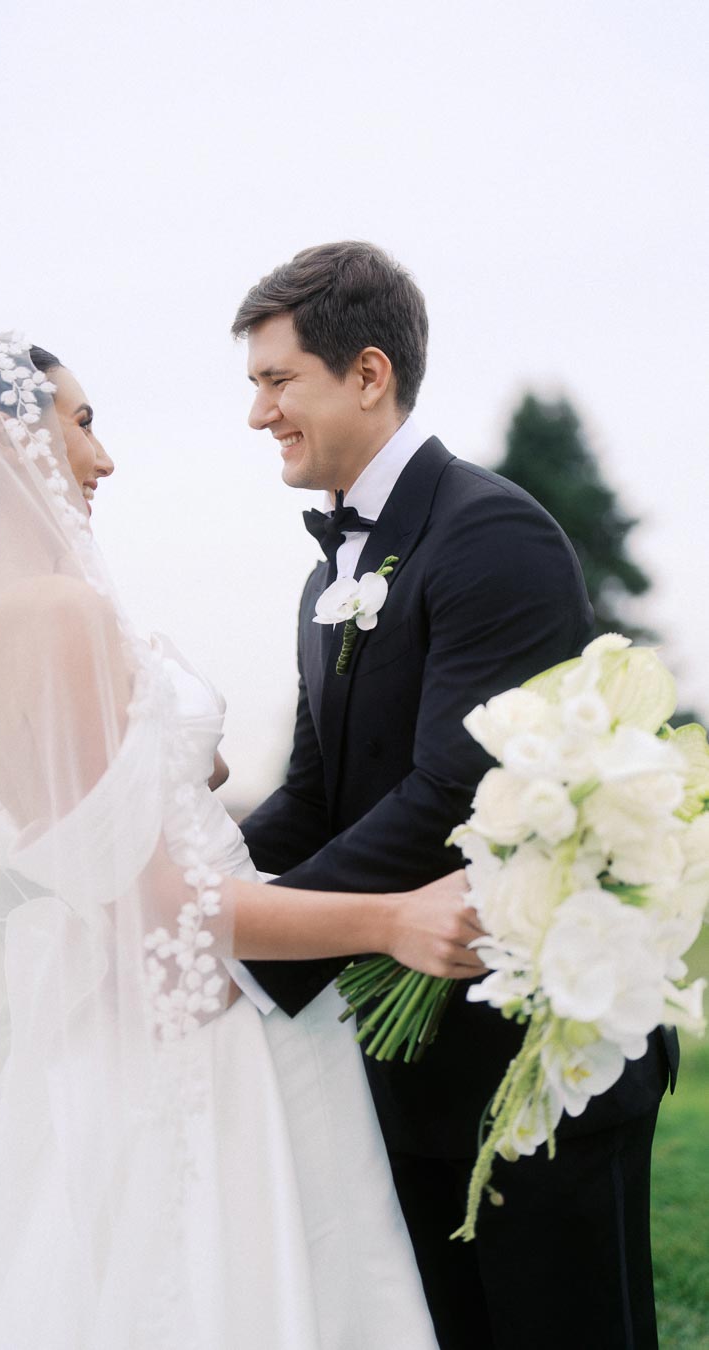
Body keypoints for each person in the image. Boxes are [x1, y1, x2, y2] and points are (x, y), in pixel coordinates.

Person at [0, 333, 484, 1349]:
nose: (103, 457)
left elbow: (104, 841)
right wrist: (394, 917)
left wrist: (174, 768)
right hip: (210, 1028)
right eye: (80, 423)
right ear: (4, 441)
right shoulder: (59, 613)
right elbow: (168, 906)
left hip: (117, 1022)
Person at [232, 241, 677, 1350]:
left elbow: (455, 788)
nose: (258, 413)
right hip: (404, 1062)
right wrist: (196, 879)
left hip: (529, 1066)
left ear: (368, 373)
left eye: (277, 380)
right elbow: (315, 795)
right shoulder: (324, 574)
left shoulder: (490, 533)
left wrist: (241, 942)